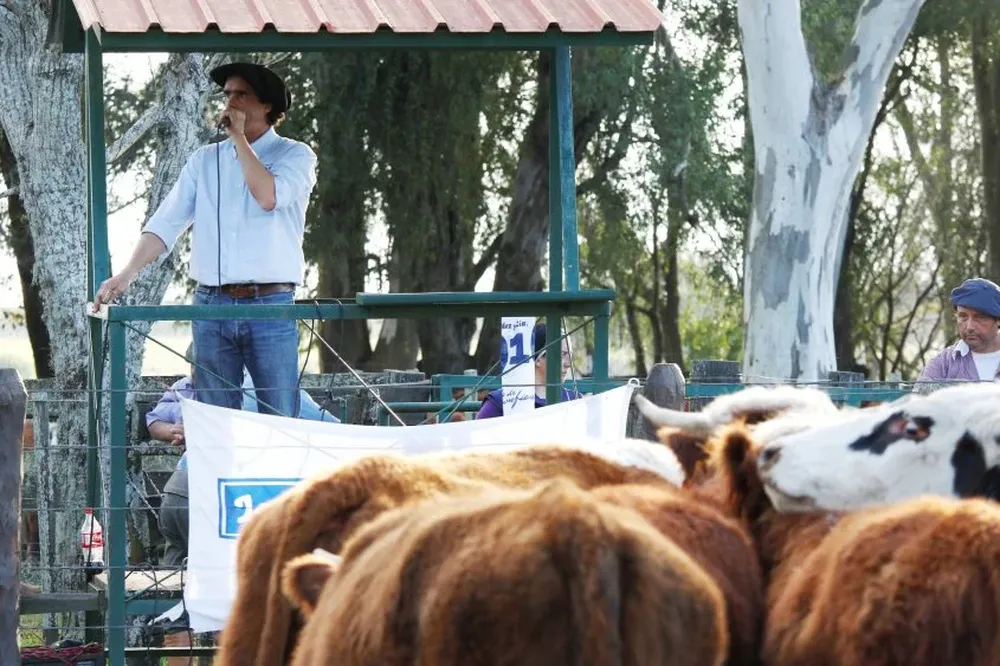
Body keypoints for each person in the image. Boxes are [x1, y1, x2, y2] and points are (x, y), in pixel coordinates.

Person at [92, 62, 317, 418]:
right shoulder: (204, 159)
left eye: (241, 95)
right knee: (216, 418)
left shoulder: (295, 155)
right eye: (227, 95)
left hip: (270, 303)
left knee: (279, 417)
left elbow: (268, 196)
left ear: (268, 106)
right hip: (211, 302)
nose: (230, 103)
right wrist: (126, 274)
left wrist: (240, 139)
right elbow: (166, 222)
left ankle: (279, 476)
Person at [149, 343, 339, 568]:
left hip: (177, 489)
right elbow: (333, 428)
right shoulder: (276, 390)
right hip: (218, 497)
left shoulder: (210, 392)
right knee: (226, 573)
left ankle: (161, 599)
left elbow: (155, 420)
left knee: (174, 573)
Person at [475, 322, 582, 419]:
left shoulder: (574, 400)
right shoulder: (500, 403)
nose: (568, 364)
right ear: (538, 359)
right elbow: (475, 436)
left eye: (570, 355)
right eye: (562, 355)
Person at [916, 277, 1000, 384]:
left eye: (979, 317)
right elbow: (920, 400)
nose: (969, 327)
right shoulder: (942, 366)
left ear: (998, 320)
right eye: (963, 316)